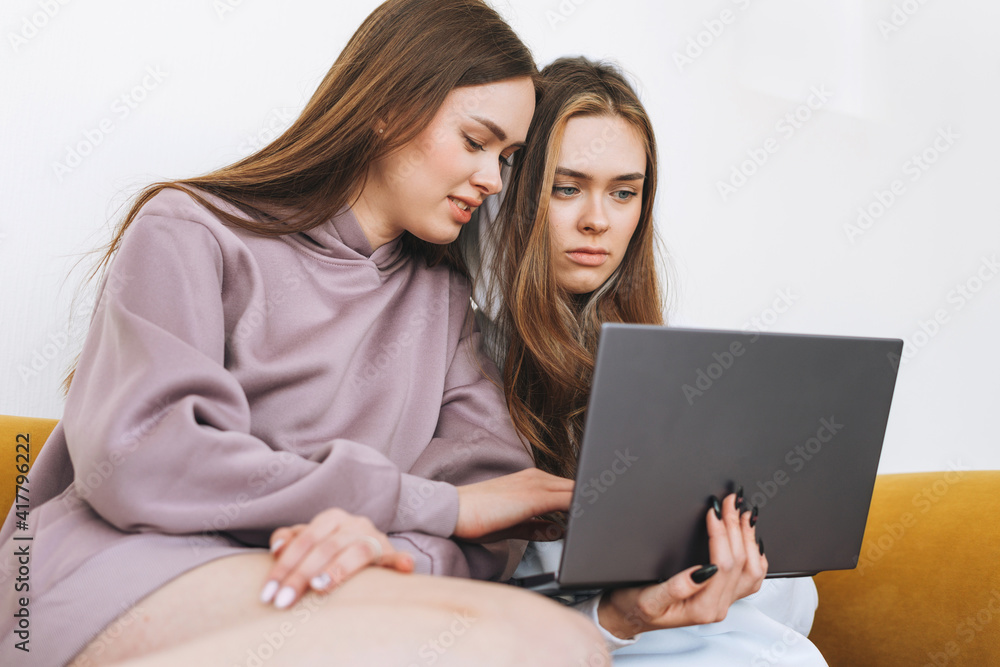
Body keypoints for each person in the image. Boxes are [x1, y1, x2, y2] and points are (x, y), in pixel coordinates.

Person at [0, 3, 613, 666]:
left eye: (508, 157)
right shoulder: (189, 230)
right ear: (387, 106)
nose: (493, 180)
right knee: (547, 644)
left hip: (326, 584)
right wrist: (420, 504)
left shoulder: (443, 302)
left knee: (562, 638)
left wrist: (390, 550)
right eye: (475, 141)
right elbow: (143, 461)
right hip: (117, 571)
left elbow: (493, 507)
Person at [466, 56, 828, 664]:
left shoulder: (674, 378)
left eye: (624, 192)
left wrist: (743, 570)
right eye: (567, 187)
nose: (597, 221)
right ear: (514, 190)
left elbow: (796, 609)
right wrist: (621, 615)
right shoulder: (463, 361)